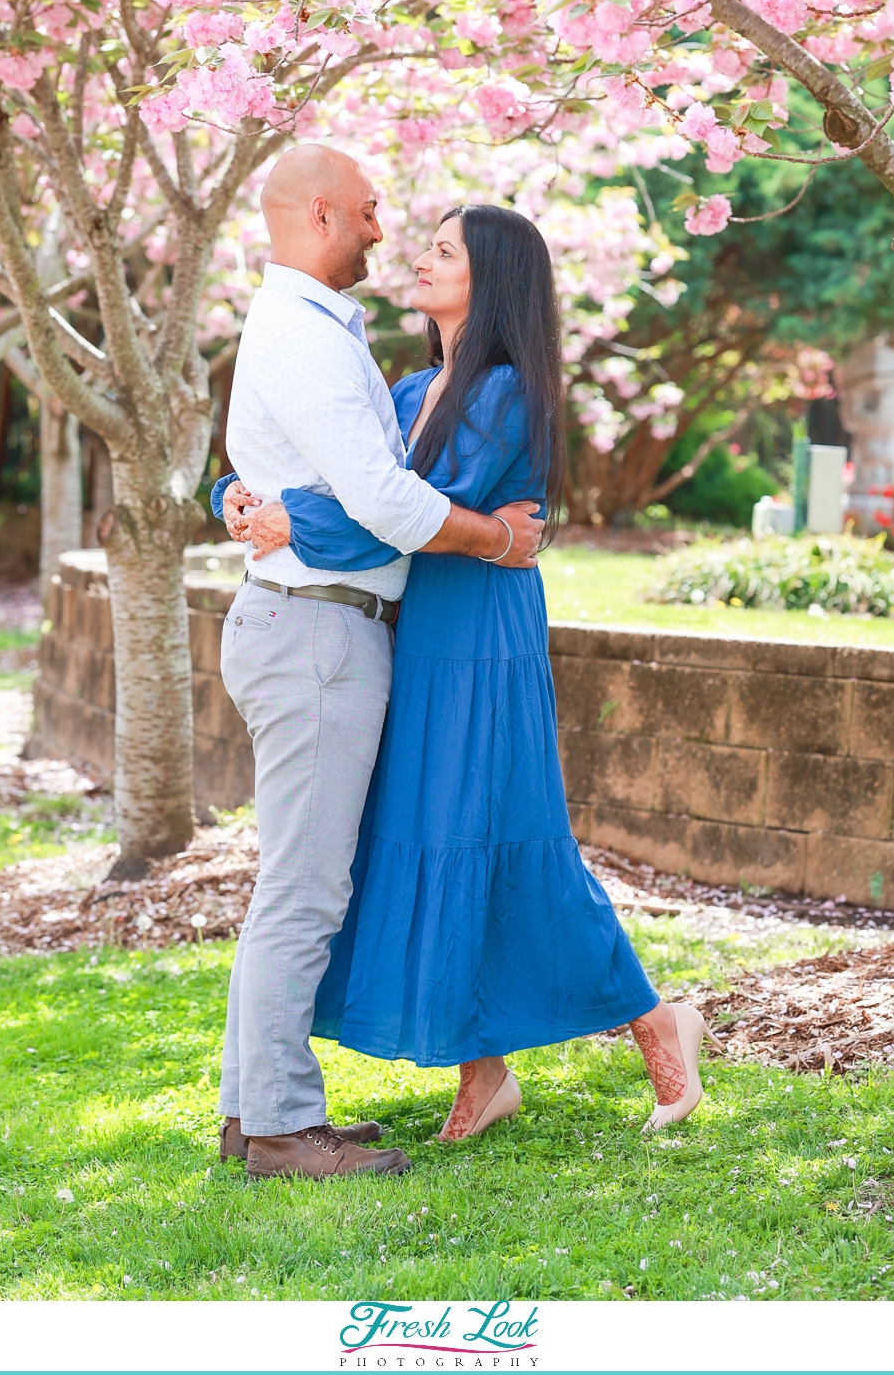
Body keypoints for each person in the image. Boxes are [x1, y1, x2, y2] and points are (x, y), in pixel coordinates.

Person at [226, 204, 716, 1143]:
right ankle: (483, 1071)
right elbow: (343, 482)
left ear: (490, 281)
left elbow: (403, 512)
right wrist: (242, 495)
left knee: (506, 833)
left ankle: (660, 1022)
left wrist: (296, 524)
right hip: (415, 628)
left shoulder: (504, 393)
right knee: (432, 830)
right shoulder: (408, 387)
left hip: (481, 633)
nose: (419, 255)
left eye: (444, 250)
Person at [213, 148, 544, 1183]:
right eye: (366, 213)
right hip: (314, 630)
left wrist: (246, 492)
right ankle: (277, 1127)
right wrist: (497, 537)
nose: (380, 231)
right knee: (304, 889)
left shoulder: (313, 329)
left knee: (299, 882)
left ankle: (254, 1112)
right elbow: (384, 501)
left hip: (317, 621)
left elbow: (319, 477)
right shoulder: (307, 336)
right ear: (321, 213)